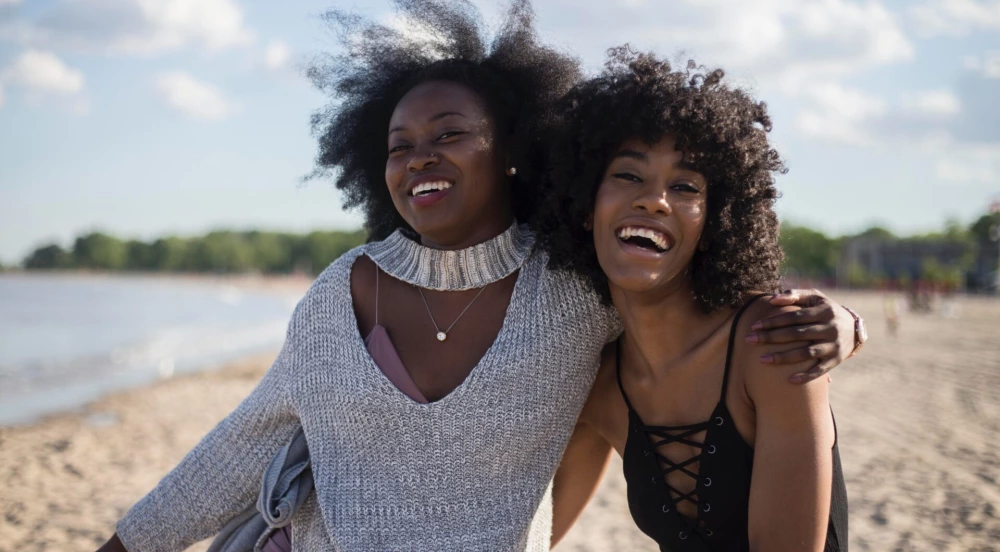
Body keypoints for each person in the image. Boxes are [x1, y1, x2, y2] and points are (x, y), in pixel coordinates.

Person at [97, 3, 860, 551]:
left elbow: (684, 308)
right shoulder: (341, 292)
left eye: (451, 134)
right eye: (400, 146)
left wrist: (847, 326)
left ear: (514, 152)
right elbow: (240, 447)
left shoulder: (574, 290)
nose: (420, 156)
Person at [541, 49, 851, 550]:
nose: (654, 199)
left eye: (685, 186)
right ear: (582, 205)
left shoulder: (770, 344)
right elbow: (529, 533)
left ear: (713, 223)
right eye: (627, 174)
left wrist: (853, 324)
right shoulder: (598, 385)